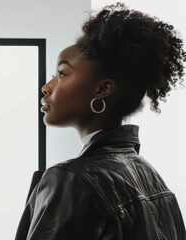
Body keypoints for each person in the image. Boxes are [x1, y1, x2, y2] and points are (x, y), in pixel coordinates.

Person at [15, 2, 186, 240]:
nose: (47, 87)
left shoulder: (73, 180)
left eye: (62, 74)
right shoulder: (154, 180)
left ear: (103, 89)